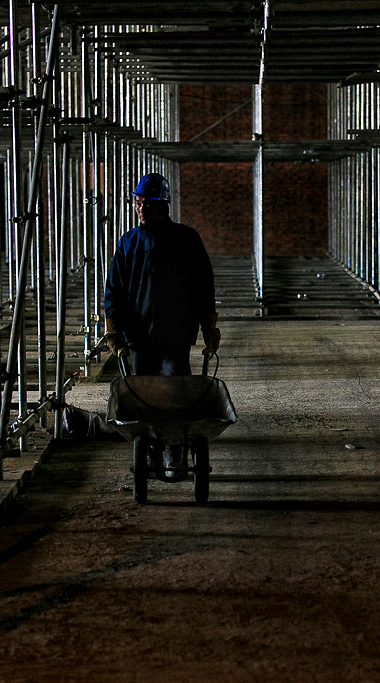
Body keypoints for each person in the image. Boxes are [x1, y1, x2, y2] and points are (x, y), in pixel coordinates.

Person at [102, 172, 220, 478]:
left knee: (175, 396)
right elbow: (114, 288)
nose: (139, 209)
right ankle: (151, 451)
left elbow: (203, 286)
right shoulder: (129, 243)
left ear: (161, 206)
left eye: (145, 203)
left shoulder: (186, 239)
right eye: (137, 203)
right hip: (139, 337)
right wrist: (113, 329)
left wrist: (209, 326)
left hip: (176, 336)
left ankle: (173, 451)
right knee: (144, 400)